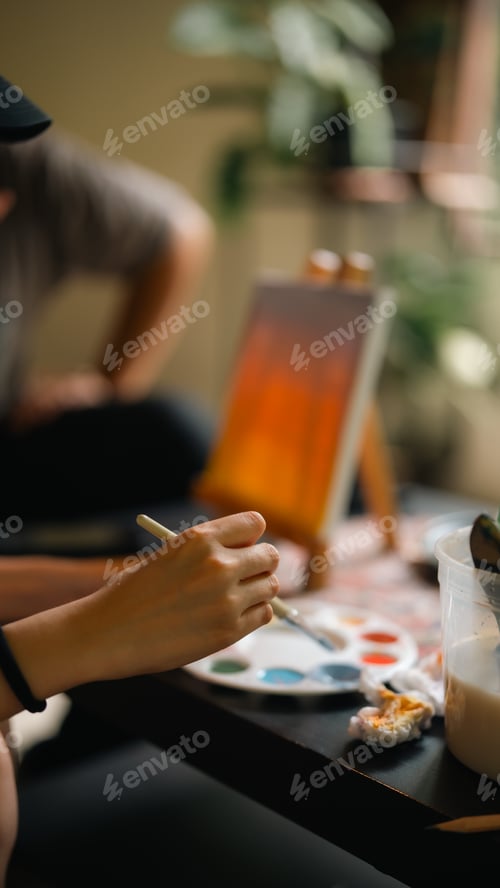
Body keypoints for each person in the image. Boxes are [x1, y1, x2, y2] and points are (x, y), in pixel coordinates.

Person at [0, 77, 280, 886]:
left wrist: (121, 583)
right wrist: (97, 628)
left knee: (177, 441)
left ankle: (87, 778)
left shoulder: (30, 174)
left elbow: (176, 230)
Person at [0, 74, 215, 525]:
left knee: (178, 433)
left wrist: (110, 382)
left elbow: (179, 231)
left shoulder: (26, 163)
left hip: (11, 436)